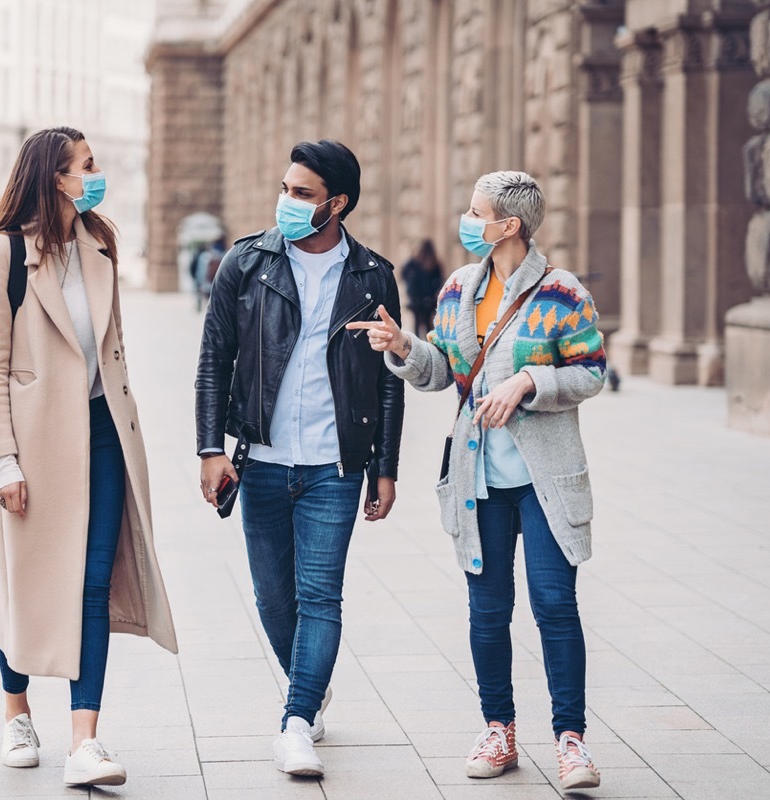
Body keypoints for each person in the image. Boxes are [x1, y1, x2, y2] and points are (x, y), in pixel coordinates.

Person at [349, 171, 605, 792]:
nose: (468, 221)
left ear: (508, 225)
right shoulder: (459, 287)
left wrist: (530, 383)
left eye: (476, 212)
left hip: (544, 480)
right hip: (477, 478)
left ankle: (571, 742)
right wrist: (402, 345)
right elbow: (442, 370)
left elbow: (592, 371)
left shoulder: (562, 292)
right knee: (488, 611)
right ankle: (499, 730)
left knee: (554, 604)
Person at [0, 126, 178, 788]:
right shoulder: (1, 251)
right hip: (32, 443)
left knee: (91, 579)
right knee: (27, 579)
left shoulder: (101, 242)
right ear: (55, 176)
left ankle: (84, 739)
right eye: (87, 166)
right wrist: (3, 459)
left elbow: (108, 351)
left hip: (102, 431)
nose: (96, 174)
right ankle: (16, 710)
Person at [195, 140, 405, 778]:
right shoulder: (247, 262)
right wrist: (210, 448)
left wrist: (385, 467)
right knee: (272, 597)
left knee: (321, 596)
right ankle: (307, 688)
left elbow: (390, 376)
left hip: (334, 466)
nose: (287, 202)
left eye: (303, 193)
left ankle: (295, 720)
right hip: (260, 459)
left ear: (336, 204)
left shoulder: (372, 275)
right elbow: (214, 359)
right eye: (286, 189)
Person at [400, 238, 444, 339]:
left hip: (416, 299)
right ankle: (429, 344)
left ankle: (417, 345)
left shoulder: (415, 262)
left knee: (417, 323)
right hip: (429, 299)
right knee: (428, 324)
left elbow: (404, 273)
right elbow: (440, 280)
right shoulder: (434, 263)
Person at [195, 236, 227, 311]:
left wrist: (199, 284)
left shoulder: (205, 256)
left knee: (210, 308)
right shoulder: (227, 255)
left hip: (208, 285)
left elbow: (201, 272)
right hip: (220, 286)